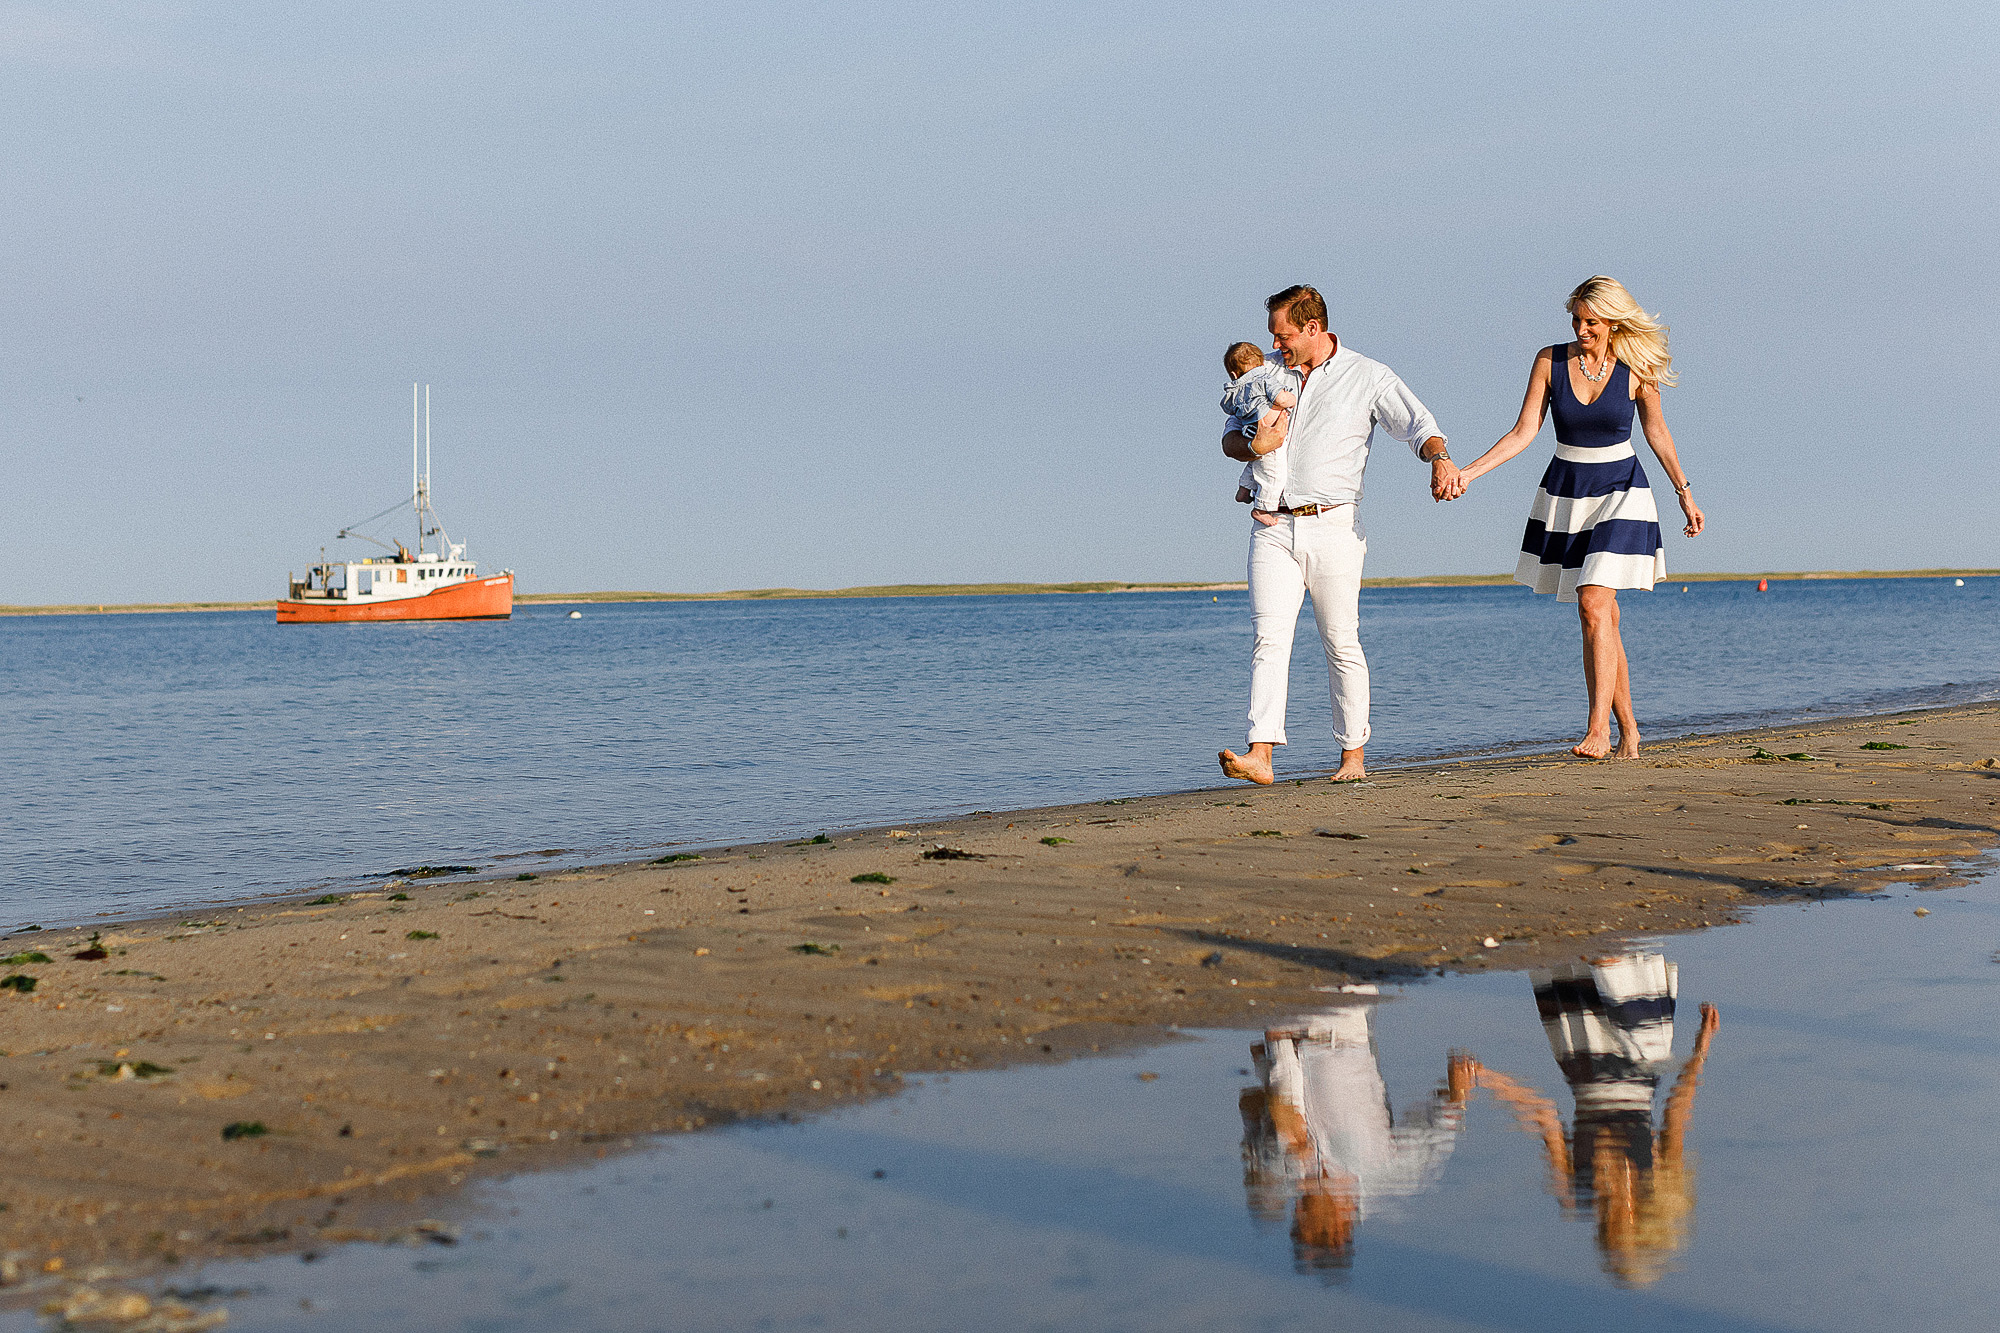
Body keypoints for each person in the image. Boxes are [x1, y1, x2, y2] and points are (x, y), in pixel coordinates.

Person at [1454, 276, 1705, 759]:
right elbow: (1524, 431)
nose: (1582, 329)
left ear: (1612, 322)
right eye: (1576, 320)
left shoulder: (1636, 367)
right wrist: (1470, 473)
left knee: (1591, 603)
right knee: (1603, 616)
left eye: (1592, 321)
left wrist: (1684, 493)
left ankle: (1598, 731)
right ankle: (1629, 730)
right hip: (1567, 492)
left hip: (1622, 490)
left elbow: (1656, 431)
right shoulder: (1550, 361)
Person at [1217, 285, 1458, 785]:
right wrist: (1251, 443)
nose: (1274, 345)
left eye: (1282, 335)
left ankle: (1352, 757)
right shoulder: (1265, 375)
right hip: (1272, 525)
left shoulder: (1367, 375)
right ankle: (1260, 754)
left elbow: (1418, 425)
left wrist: (1439, 459)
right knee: (1269, 639)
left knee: (1341, 641)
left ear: (1312, 328)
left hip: (1335, 527)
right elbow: (1227, 437)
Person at [1464, 952, 1720, 1288]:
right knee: (1615, 975)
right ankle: (1614, 959)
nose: (1610, 1228)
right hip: (1639, 1067)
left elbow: (1544, 1116)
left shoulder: (1577, 1184)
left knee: (1569, 960)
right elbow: (1677, 1112)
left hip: (1583, 1061)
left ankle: (1592, 950)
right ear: (1642, 1227)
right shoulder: (1657, 1179)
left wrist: (1484, 1076)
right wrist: (1701, 1050)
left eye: (1608, 1239)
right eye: (1620, 1237)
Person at [1238, 990, 1473, 1275]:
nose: (1297, 1211)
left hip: (1283, 1025)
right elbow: (1436, 1132)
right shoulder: (1387, 1178)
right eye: (1306, 1221)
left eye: (1296, 1221)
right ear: (1340, 1230)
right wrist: (1457, 1092)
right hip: (1344, 1023)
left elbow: (1249, 1104)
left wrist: (1277, 1127)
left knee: (1292, 1140)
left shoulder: (1282, 1172)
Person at [1220, 341, 1299, 518]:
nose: (1275, 343)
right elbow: (1281, 397)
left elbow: (1227, 408)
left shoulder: (1235, 390)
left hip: (1251, 432)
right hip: (1270, 433)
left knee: (1257, 463)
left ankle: (1244, 489)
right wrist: (1292, 399)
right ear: (1262, 364)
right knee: (1274, 473)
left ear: (1233, 373)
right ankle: (1262, 508)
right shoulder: (1264, 377)